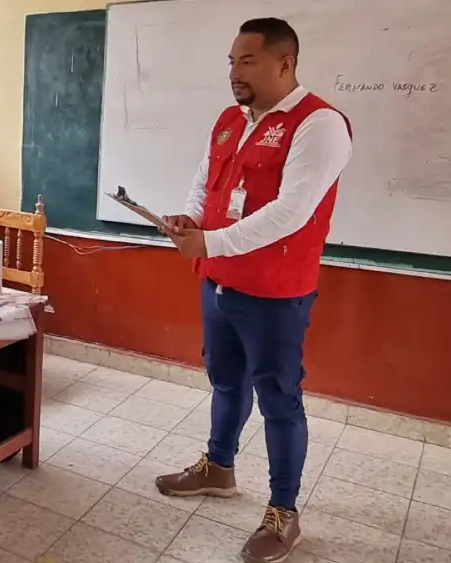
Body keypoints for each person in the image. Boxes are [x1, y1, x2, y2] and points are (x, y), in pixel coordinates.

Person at [154, 18, 352, 563]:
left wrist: (210, 242)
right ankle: (219, 467)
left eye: (248, 61)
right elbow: (206, 181)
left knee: (279, 399)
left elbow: (291, 212)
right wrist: (192, 219)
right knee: (224, 380)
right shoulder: (229, 120)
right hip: (219, 281)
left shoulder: (320, 124)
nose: (234, 73)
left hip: (274, 292)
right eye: (231, 62)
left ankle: (283, 512)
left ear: (284, 63)